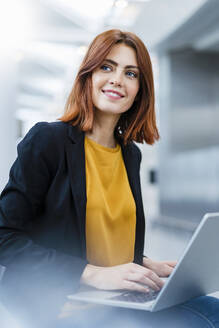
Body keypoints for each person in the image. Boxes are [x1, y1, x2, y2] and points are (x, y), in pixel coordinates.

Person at [0, 29, 219, 328]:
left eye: (131, 73)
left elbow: (94, 235)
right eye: (107, 67)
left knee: (212, 311)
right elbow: (5, 237)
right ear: (87, 76)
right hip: (60, 306)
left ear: (140, 89)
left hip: (115, 301)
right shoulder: (48, 140)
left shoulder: (130, 155)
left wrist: (141, 263)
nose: (117, 79)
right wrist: (92, 274)